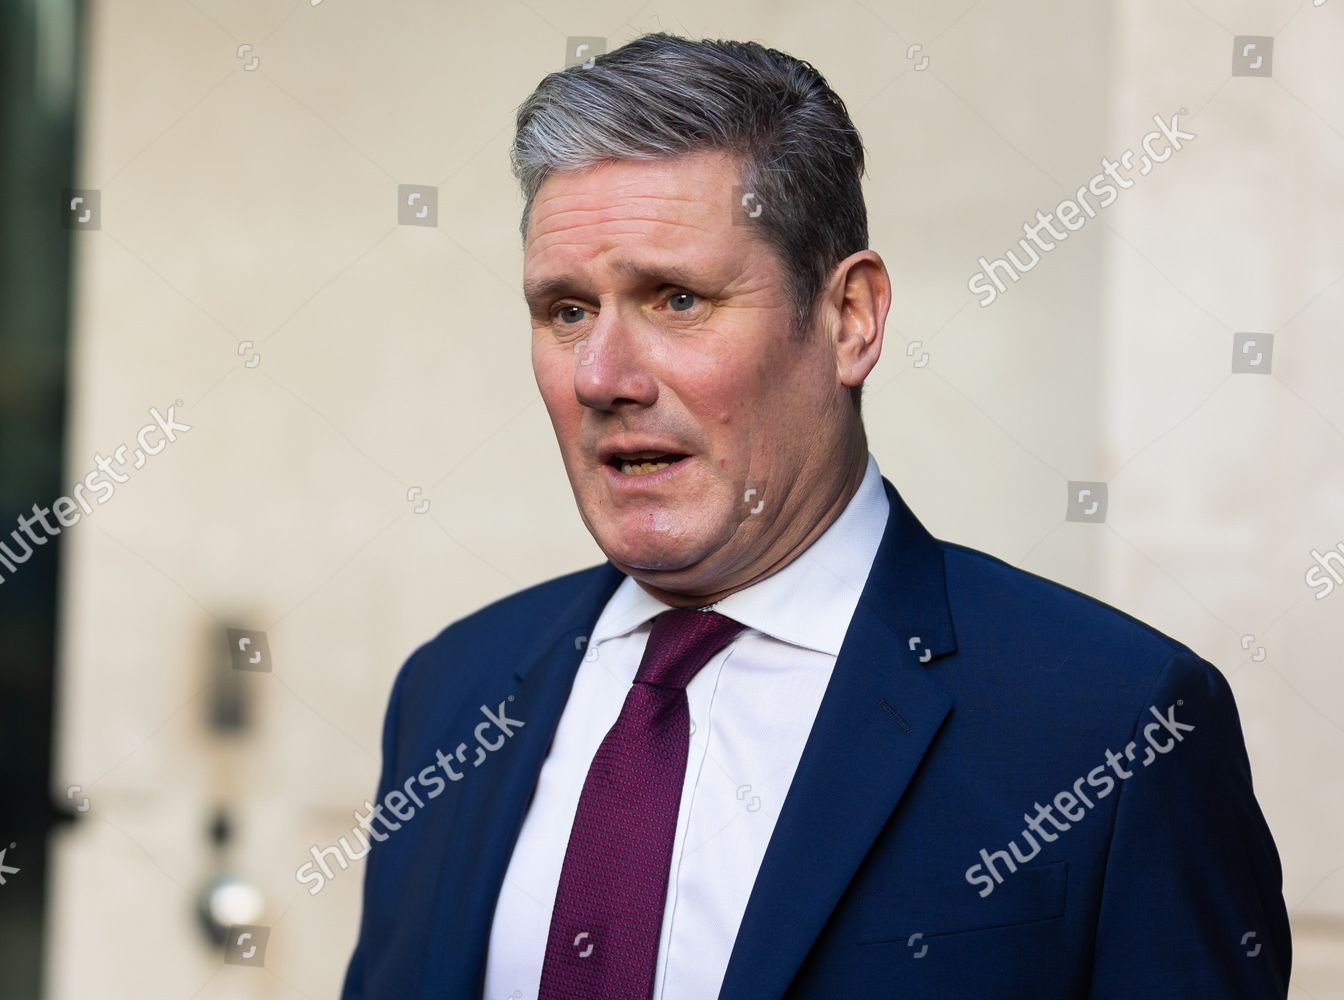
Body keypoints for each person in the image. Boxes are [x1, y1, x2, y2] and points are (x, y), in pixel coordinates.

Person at [341, 32, 1291, 999]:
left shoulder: (1114, 725)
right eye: (567, 311)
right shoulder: (451, 696)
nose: (602, 377)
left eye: (677, 299)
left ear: (850, 318)